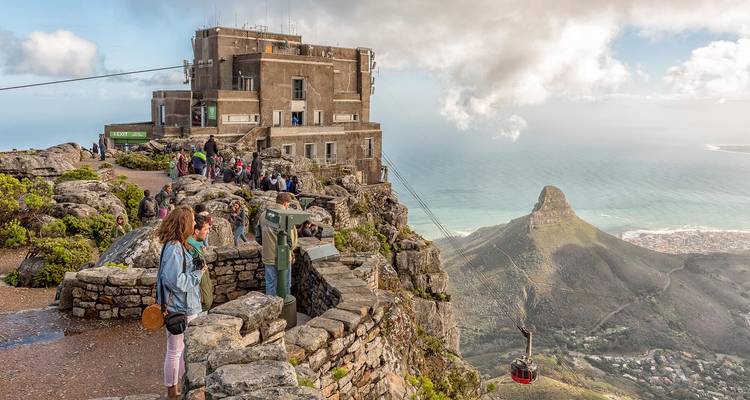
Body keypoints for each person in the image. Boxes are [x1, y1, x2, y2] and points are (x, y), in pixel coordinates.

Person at [156, 206, 205, 399]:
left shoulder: (178, 244)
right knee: (175, 351)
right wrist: (197, 274)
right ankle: (172, 391)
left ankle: (183, 387)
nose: (195, 223)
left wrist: (195, 266)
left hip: (182, 305)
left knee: (183, 350)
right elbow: (175, 281)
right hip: (179, 307)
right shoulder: (174, 247)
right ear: (184, 223)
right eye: (192, 220)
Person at [257, 192, 298, 297]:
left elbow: (258, 236)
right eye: (288, 204)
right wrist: (291, 251)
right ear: (285, 203)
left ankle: (271, 307)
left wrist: (267, 244)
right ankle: (284, 308)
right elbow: (292, 241)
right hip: (284, 257)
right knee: (285, 283)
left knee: (270, 283)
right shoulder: (287, 216)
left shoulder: (264, 215)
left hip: (268, 255)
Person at [187, 214, 213, 312]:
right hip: (197, 306)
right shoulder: (190, 248)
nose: (208, 232)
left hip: (201, 303)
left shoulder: (196, 245)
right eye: (206, 229)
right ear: (197, 231)